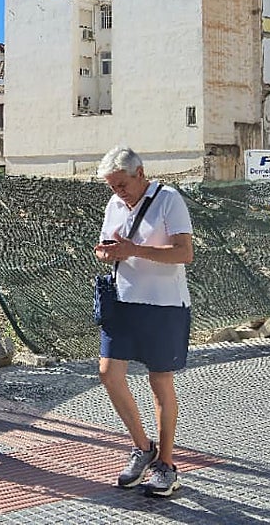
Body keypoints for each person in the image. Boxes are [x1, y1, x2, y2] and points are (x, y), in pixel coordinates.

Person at [94, 146, 194, 497]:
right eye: (111, 186)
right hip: (122, 302)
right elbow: (109, 247)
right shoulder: (114, 205)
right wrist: (107, 252)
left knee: (159, 381)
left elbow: (185, 253)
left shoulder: (169, 199)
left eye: (121, 184)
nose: (117, 192)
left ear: (140, 173)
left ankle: (166, 465)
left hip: (164, 304)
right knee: (108, 372)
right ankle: (142, 446)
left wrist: (134, 250)